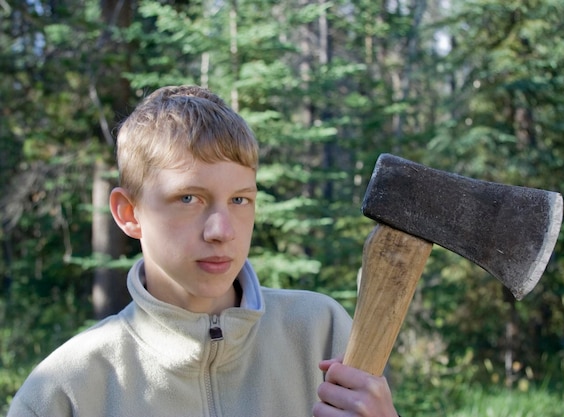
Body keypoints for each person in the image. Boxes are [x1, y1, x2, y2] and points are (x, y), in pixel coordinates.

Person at [8, 85, 399, 417]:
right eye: (189, 198)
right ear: (129, 213)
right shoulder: (66, 390)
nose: (222, 231)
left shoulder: (320, 331)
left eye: (240, 200)